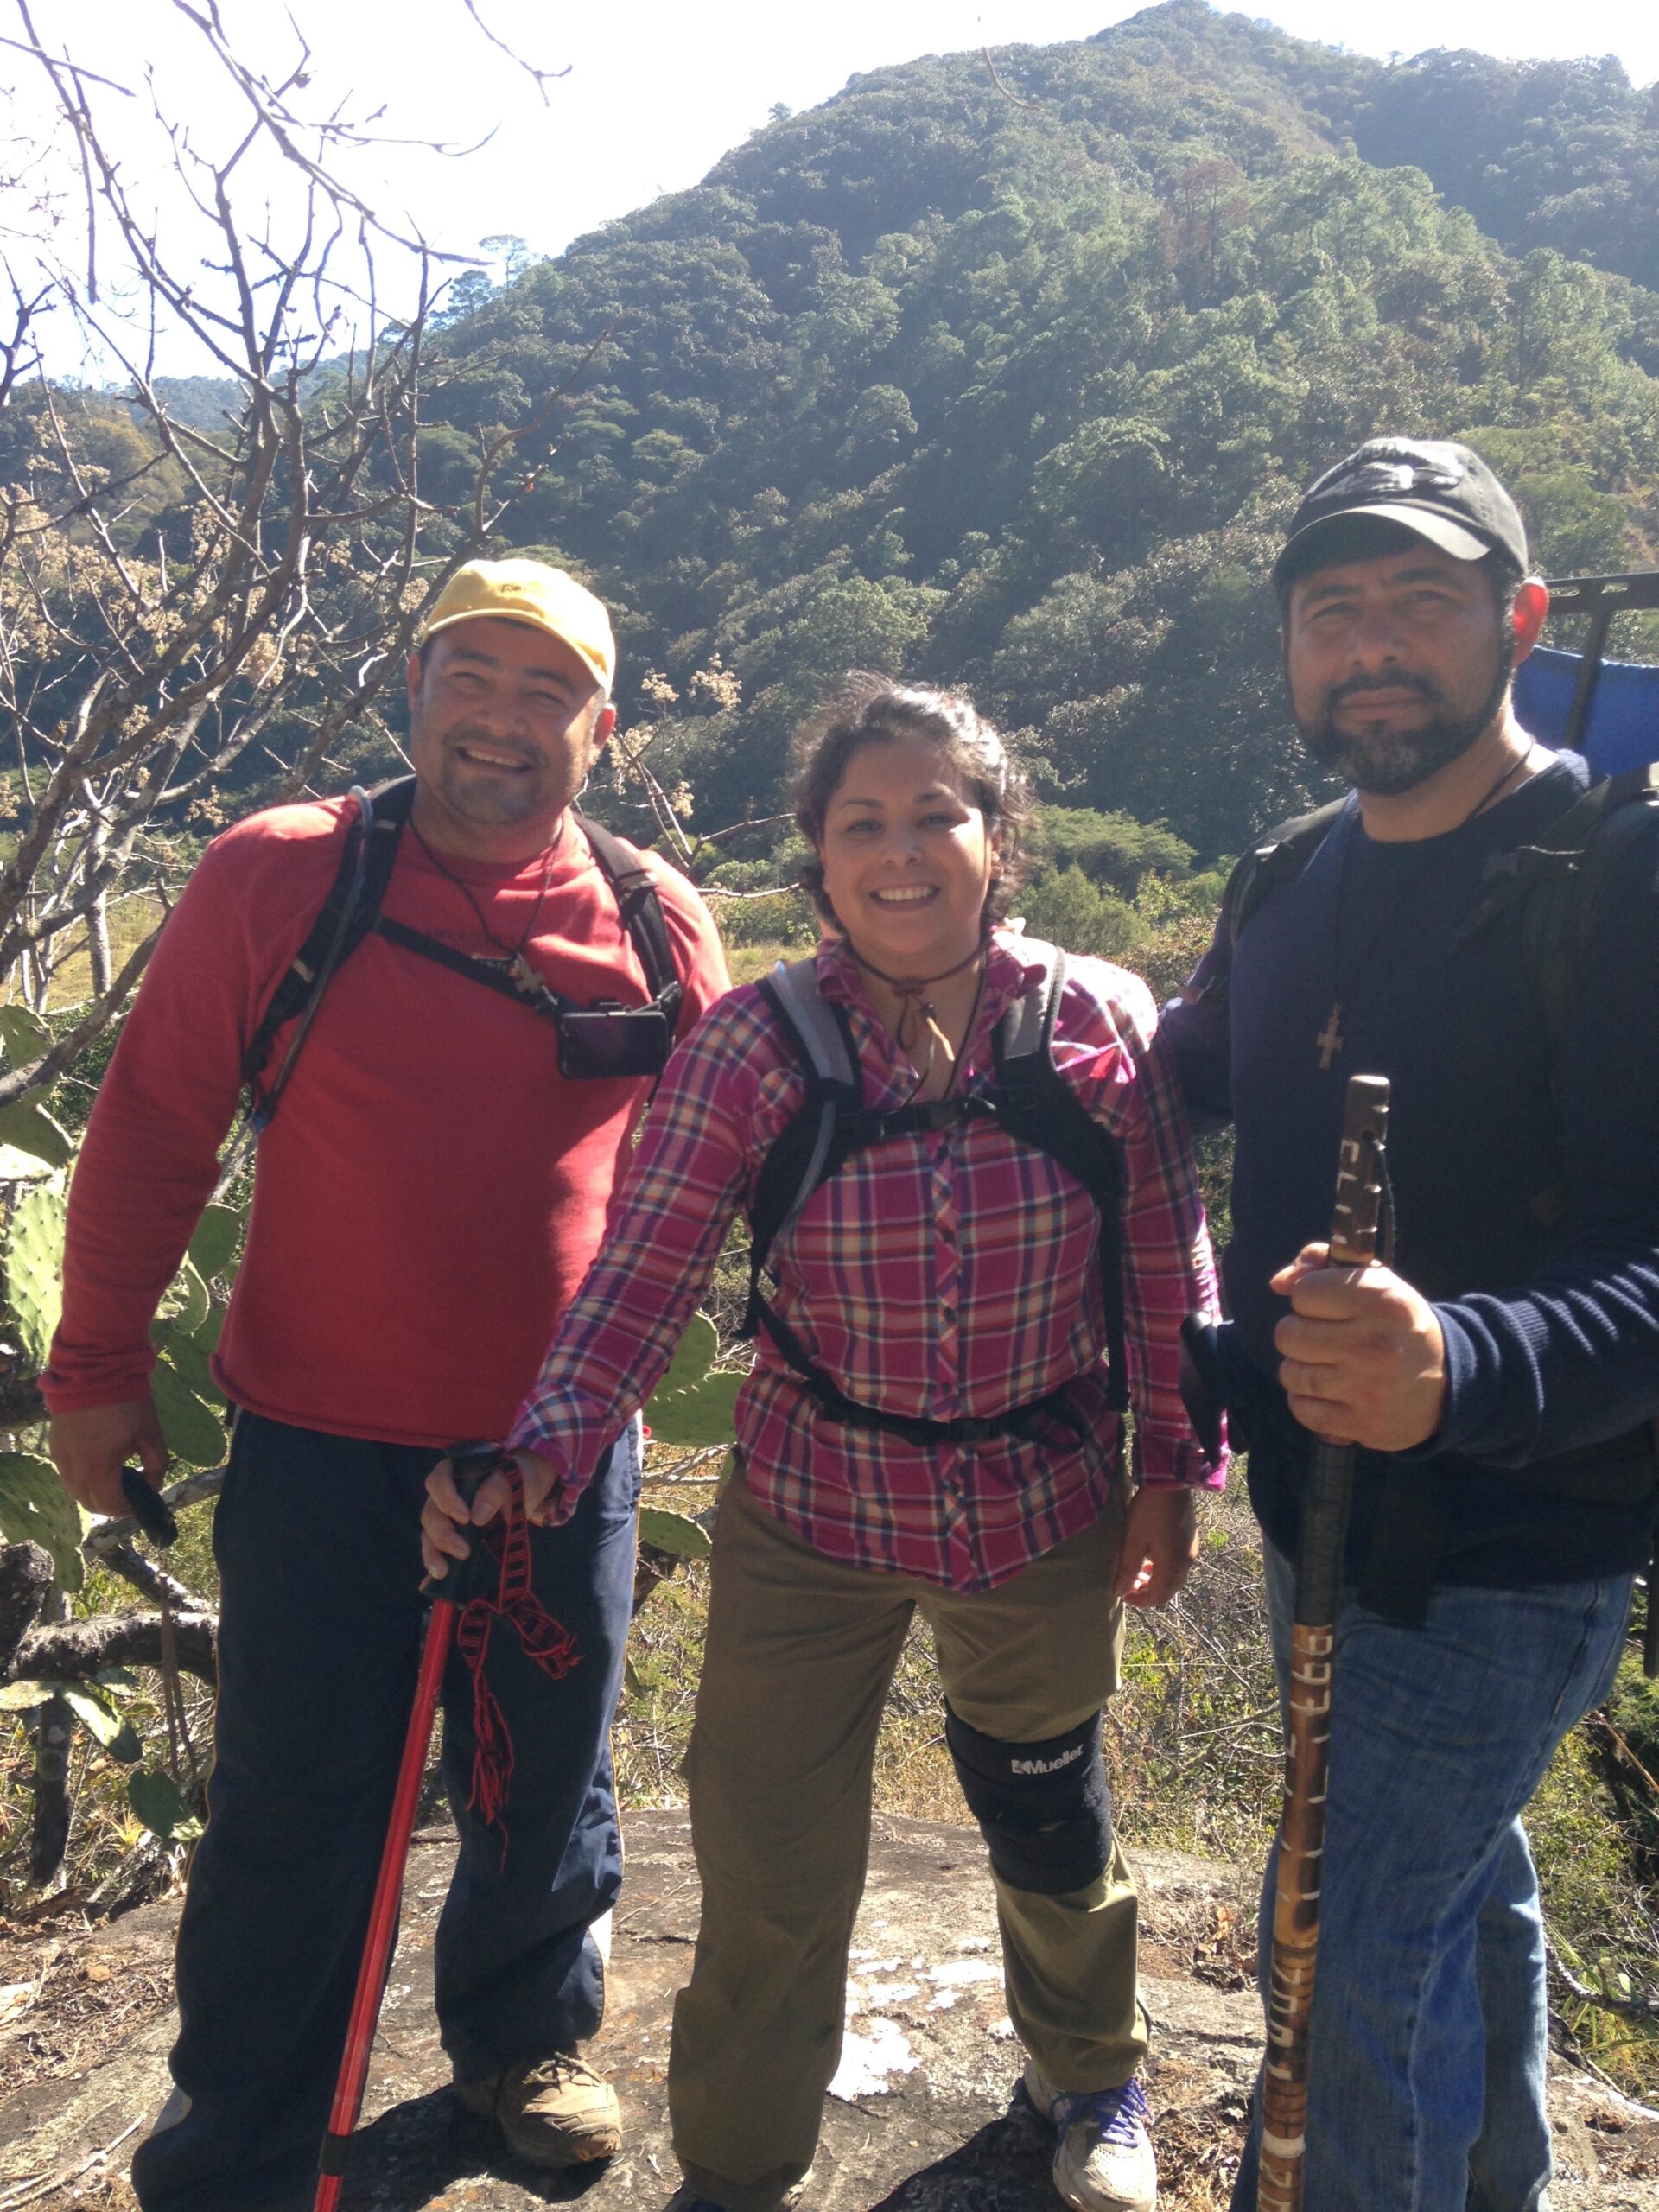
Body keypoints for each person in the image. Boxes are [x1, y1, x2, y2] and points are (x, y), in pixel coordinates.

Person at [423, 675, 1225, 2212]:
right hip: (811, 1513)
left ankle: (1090, 2076)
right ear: (819, 857)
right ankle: (738, 2162)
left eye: (943, 814)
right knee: (771, 1860)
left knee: (1051, 1817)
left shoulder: (1096, 1026)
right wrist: (546, 1443)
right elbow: (640, 1278)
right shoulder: (751, 1048)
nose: (904, 849)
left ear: (1004, 841)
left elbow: (1163, 1265)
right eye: (865, 821)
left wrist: (1175, 1469)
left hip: (1040, 1498)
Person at [44, 557, 730, 2212]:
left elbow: (730, 1160)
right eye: (469, 679)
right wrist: (96, 1368)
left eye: (545, 691)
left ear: (603, 728)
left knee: (542, 1765)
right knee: (296, 1799)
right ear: (410, 691)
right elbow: (151, 1125)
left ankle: (523, 2045)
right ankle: (242, 2140)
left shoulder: (653, 917)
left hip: (562, 1452)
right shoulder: (284, 878)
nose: (503, 720)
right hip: (317, 1443)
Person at [1162, 439, 1659, 2211]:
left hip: (1508, 1544)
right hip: (1317, 1518)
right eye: (1332, 611)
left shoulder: (1621, 874)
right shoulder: (1289, 879)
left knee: (1338, 1957)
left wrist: (1457, 1360)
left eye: (1420, 603)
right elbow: (1182, 1078)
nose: (1373, 645)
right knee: (1460, 1890)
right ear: (1290, 654)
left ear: (1520, 620)